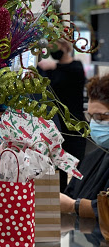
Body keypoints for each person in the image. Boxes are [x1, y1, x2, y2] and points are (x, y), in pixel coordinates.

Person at [38, 38, 86, 191]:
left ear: (65, 46)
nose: (52, 50)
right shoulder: (50, 70)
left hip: (75, 126)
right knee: (59, 168)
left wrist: (56, 66)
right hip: (56, 126)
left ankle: (76, 200)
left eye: (55, 46)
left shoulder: (76, 67)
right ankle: (62, 200)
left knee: (77, 167)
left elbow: (74, 73)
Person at [60, 74, 109, 218]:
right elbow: (70, 193)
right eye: (90, 117)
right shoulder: (92, 159)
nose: (94, 124)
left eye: (100, 117)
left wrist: (73, 206)